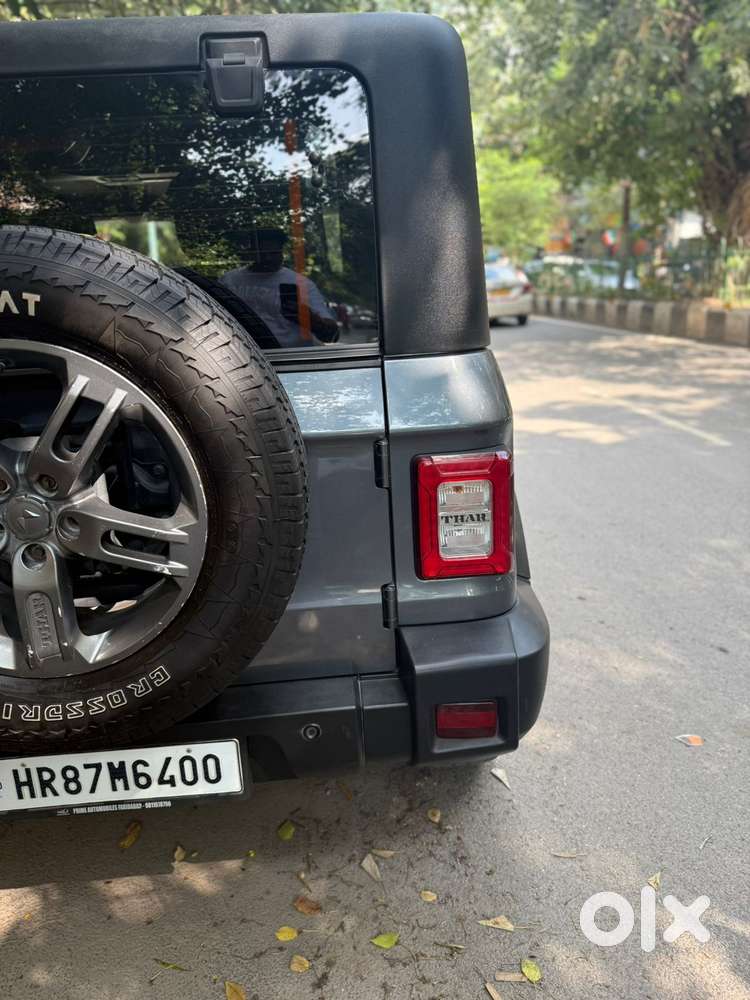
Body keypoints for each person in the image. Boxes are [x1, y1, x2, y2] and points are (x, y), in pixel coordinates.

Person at [220, 228, 338, 348]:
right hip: (243, 357)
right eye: (263, 253)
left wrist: (311, 319)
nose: (268, 258)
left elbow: (331, 336)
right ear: (252, 252)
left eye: (273, 253)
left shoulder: (302, 284)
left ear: (282, 252)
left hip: (292, 357)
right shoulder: (229, 280)